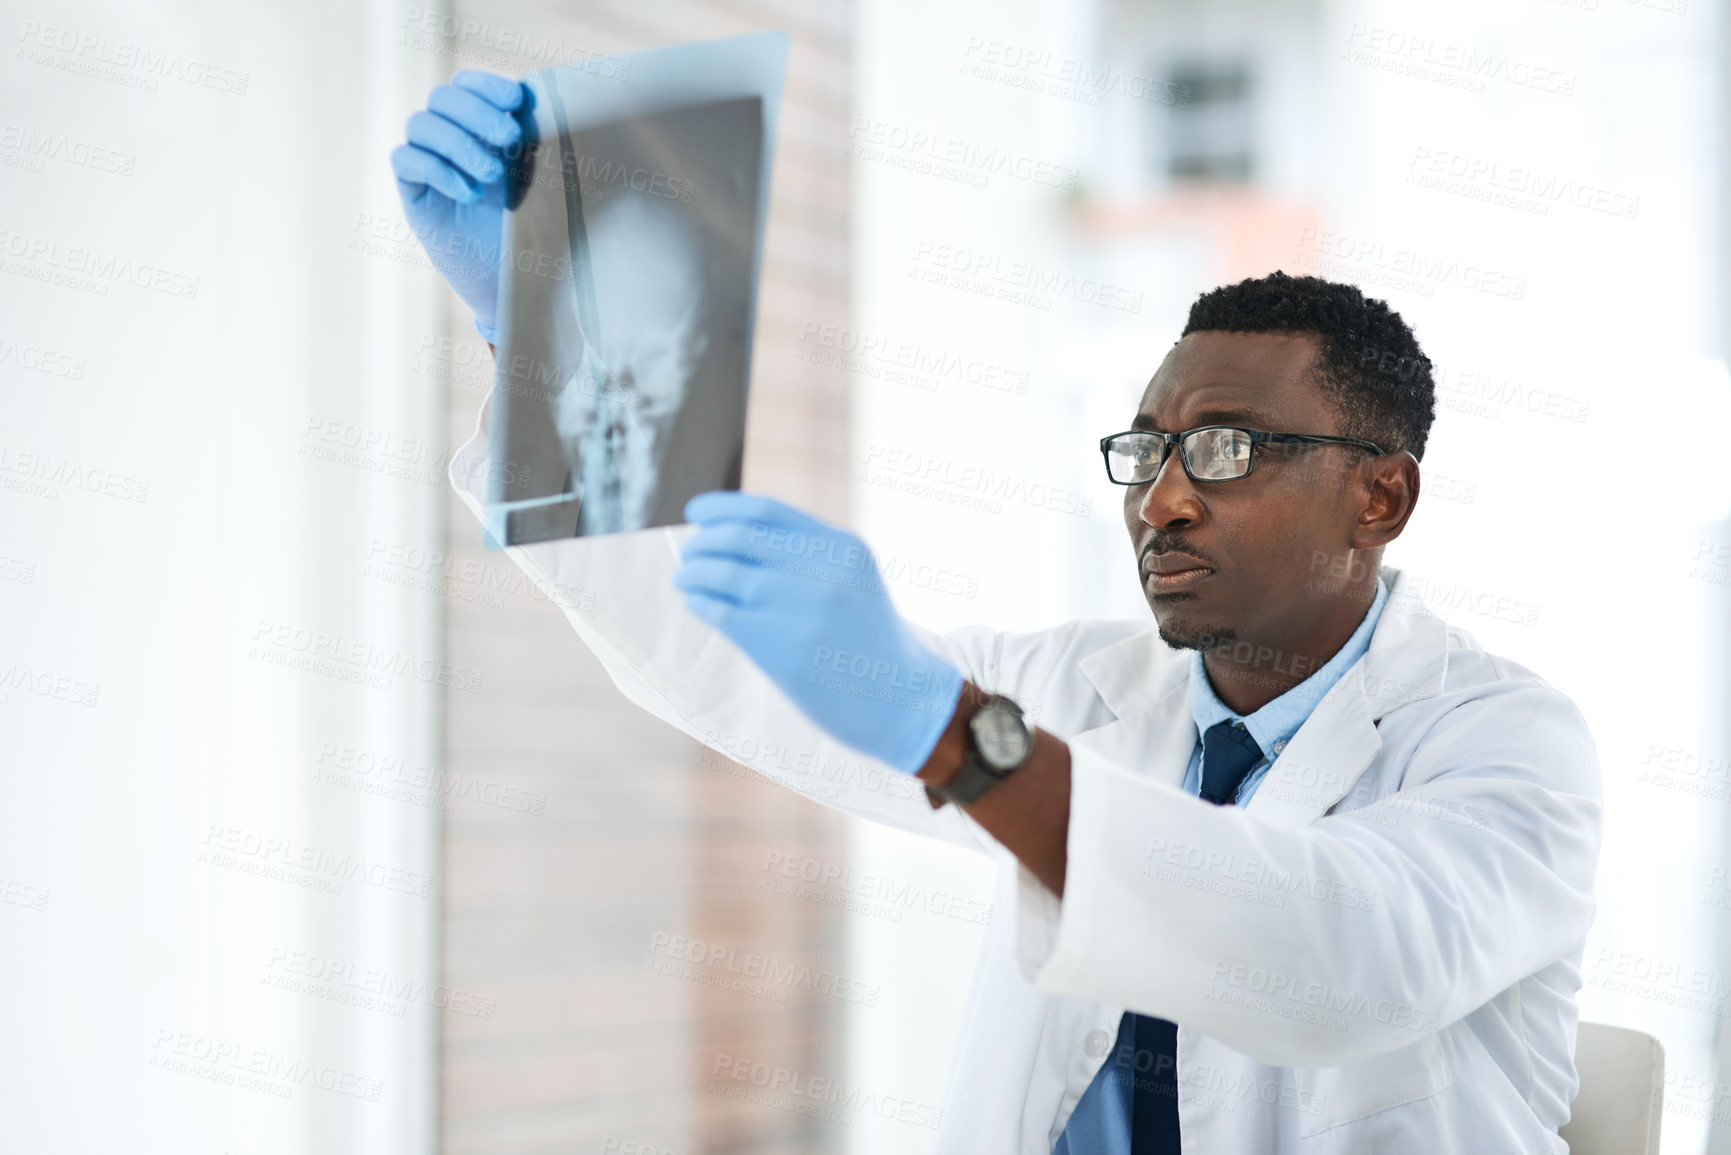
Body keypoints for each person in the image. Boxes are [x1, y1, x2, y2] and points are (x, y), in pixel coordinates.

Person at [394, 71, 1602, 1155]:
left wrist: (960, 737)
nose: (1166, 498)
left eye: (1228, 448)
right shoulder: (1089, 686)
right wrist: (546, 332)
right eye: (1149, 449)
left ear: (1380, 495)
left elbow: (1341, 961)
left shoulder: (1507, 747)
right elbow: (727, 668)